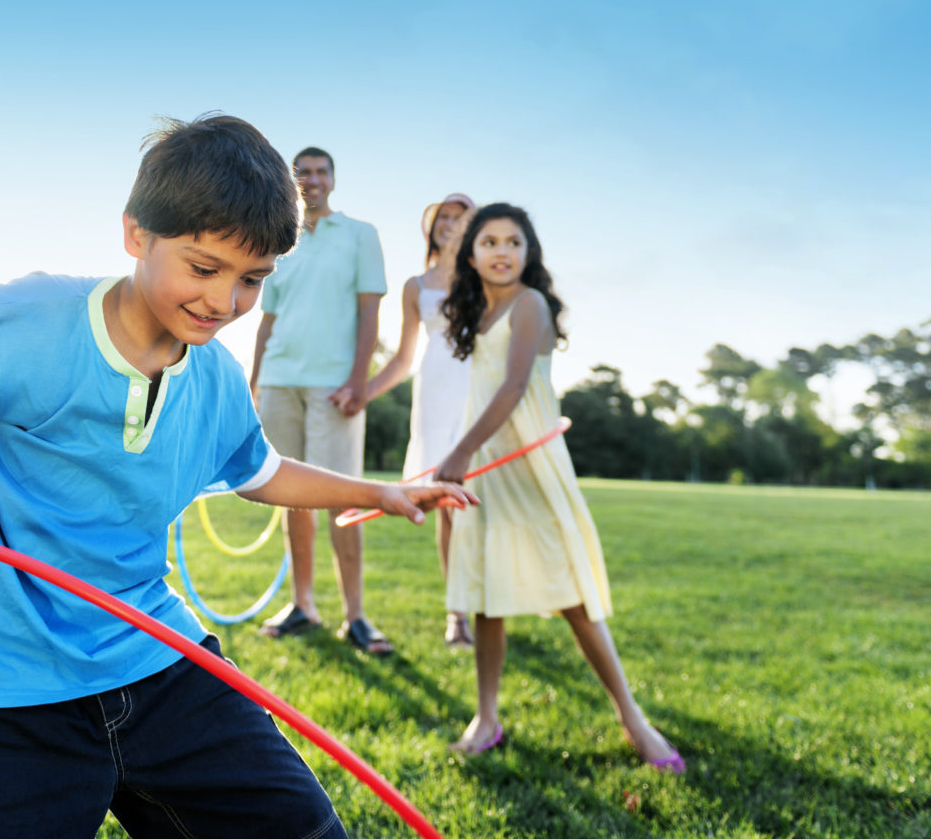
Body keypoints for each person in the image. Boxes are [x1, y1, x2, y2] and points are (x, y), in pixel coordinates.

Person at [0, 116, 475, 839]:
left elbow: (262, 471)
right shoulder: (30, 319)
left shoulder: (212, 374)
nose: (224, 302)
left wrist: (380, 492)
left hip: (153, 655)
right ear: (136, 235)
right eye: (204, 268)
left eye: (253, 280)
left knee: (304, 829)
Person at [434, 203, 683, 772]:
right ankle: (487, 717)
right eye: (490, 241)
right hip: (488, 473)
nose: (501, 251)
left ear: (529, 253)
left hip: (532, 471)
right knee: (487, 598)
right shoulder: (479, 316)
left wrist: (460, 450)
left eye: (513, 242)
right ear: (471, 253)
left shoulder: (530, 305)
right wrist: (467, 453)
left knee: (573, 598)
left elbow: (516, 386)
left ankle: (633, 718)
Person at [250, 147, 394, 655]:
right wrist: (255, 381)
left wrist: (360, 378)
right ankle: (303, 605)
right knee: (292, 495)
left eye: (320, 171)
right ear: (293, 182)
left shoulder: (360, 235)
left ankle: (355, 616)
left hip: (334, 384)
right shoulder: (278, 241)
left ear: (333, 179)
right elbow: (266, 320)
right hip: (281, 378)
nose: (312, 180)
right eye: (303, 173)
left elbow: (369, 312)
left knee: (343, 499)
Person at [365, 192, 476, 648]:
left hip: (477, 390)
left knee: (489, 504)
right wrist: (363, 393)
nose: (450, 224)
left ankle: (493, 604)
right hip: (435, 393)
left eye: (460, 217)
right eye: (443, 218)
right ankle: (458, 614)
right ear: (431, 229)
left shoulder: (488, 278)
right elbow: (403, 357)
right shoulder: (416, 285)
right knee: (450, 506)